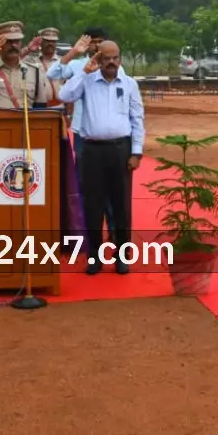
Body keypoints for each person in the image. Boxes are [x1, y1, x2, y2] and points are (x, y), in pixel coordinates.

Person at [58, 40, 144, 275]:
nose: (111, 62)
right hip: (92, 151)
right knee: (92, 205)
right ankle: (94, 256)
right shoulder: (87, 81)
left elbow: (137, 119)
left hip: (120, 150)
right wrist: (84, 72)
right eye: (106, 58)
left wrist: (136, 152)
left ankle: (121, 256)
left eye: (115, 58)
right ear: (98, 59)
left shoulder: (129, 84)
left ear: (120, 59)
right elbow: (63, 95)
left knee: (121, 207)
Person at [48, 29, 120, 236]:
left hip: (111, 135)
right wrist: (74, 52)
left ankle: (114, 231)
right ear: (87, 45)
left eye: (100, 42)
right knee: (87, 185)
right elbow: (52, 74)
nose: (96, 46)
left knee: (111, 186)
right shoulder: (78, 65)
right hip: (83, 133)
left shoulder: (116, 68)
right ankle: (87, 234)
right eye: (93, 42)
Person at [25, 27, 66, 111]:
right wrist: (28, 49)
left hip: (59, 107)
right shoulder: (31, 61)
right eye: (47, 41)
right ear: (41, 42)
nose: (50, 43)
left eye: (53, 41)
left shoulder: (62, 62)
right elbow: (16, 61)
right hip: (37, 107)